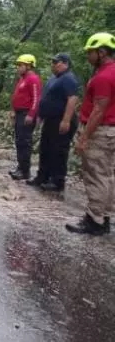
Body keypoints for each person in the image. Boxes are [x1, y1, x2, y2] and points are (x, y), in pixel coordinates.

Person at [66, 33, 115, 235]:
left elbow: (99, 110)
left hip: (100, 132)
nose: (88, 56)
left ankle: (94, 220)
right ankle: (103, 216)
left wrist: (84, 138)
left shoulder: (104, 76)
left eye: (90, 52)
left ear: (101, 52)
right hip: (109, 131)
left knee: (95, 175)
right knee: (107, 175)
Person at [28, 53, 80, 191]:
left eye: (56, 62)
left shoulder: (68, 78)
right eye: (52, 62)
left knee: (58, 151)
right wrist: (40, 115)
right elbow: (46, 98)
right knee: (45, 148)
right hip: (50, 119)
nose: (53, 64)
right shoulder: (53, 78)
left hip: (61, 119)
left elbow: (72, 99)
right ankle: (42, 176)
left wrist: (66, 120)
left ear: (65, 63)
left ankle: (57, 181)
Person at [9, 54, 42, 181]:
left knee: (25, 142)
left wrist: (31, 114)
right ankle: (20, 167)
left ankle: (25, 170)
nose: (18, 68)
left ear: (29, 66)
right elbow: (16, 96)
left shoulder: (33, 79)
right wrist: (12, 111)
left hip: (26, 114)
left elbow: (36, 98)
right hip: (19, 113)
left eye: (21, 65)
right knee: (19, 141)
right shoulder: (22, 79)